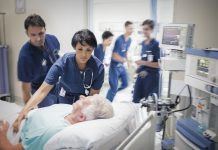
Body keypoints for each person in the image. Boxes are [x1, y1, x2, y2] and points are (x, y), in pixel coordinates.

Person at [12, 29, 105, 133]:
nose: (84, 54)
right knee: (59, 126)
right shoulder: (64, 61)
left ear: (93, 50)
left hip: (83, 101)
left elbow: (93, 97)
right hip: (63, 97)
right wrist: (23, 112)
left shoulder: (98, 68)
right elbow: (43, 90)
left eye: (88, 50)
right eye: (80, 49)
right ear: (74, 47)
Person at [0, 94, 114, 150]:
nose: (81, 96)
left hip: (15, 130)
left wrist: (3, 132)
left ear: (81, 117)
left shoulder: (50, 132)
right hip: (22, 115)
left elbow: (10, 148)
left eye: (84, 100)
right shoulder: (69, 109)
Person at [17, 14, 60, 108]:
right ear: (27, 33)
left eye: (41, 33)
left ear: (45, 29)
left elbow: (58, 59)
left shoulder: (53, 40)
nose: (38, 38)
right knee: (49, 115)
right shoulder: (25, 56)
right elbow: (25, 90)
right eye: (33, 35)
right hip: (41, 89)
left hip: (58, 84)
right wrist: (29, 112)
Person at [133, 19, 160, 103]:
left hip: (152, 76)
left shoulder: (156, 44)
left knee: (150, 102)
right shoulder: (143, 43)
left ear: (151, 30)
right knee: (136, 98)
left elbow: (158, 64)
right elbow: (144, 59)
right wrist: (138, 67)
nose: (144, 31)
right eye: (143, 29)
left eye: (146, 29)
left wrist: (142, 62)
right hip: (142, 74)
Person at [106, 21, 133, 101]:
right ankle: (107, 102)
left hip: (121, 66)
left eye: (132, 28)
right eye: (130, 28)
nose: (132, 30)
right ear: (125, 28)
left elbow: (125, 52)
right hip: (114, 66)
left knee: (125, 84)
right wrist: (124, 60)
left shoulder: (129, 40)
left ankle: (114, 93)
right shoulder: (119, 40)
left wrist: (128, 61)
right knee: (113, 87)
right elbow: (114, 55)